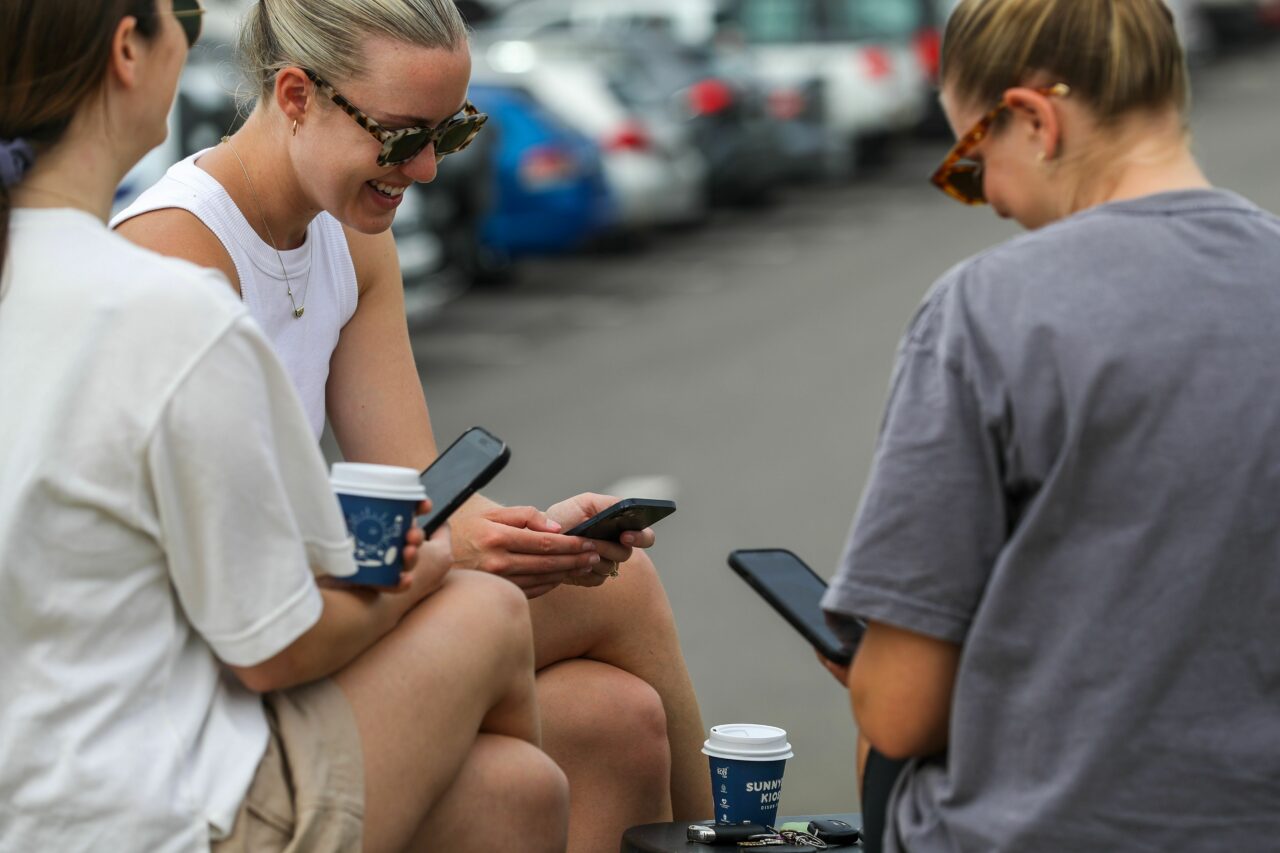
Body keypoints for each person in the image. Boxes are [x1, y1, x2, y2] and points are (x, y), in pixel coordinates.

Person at [113, 1, 710, 847]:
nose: (426, 169)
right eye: (400, 137)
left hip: (314, 612)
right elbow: (228, 582)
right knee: (587, 660)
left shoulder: (350, 238)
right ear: (295, 96)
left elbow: (417, 489)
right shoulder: (177, 253)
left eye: (452, 131)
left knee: (612, 715)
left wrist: (534, 537)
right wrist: (459, 553)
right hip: (216, 673)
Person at [0, 2, 568, 851]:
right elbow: (271, 646)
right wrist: (423, 568)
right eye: (182, 13)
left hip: (42, 785)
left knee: (531, 773)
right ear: (128, 50)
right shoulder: (171, 303)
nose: (426, 168)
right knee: (488, 629)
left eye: (450, 134)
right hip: (159, 806)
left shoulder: (50, 273)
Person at [817, 0, 1280, 850]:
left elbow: (902, 710)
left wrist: (877, 661)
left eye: (970, 162)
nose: (986, 198)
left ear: (1034, 119)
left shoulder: (987, 308)